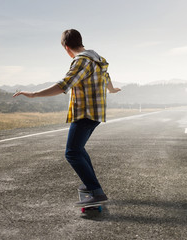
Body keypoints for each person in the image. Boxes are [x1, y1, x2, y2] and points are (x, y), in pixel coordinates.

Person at [13, 29, 121, 206]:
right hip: (96, 113)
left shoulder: (81, 60)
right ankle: (91, 186)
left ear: (66, 47)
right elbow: (106, 76)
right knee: (79, 149)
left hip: (85, 112)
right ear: (81, 42)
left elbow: (64, 85)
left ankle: (96, 190)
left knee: (71, 152)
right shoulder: (98, 59)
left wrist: (33, 94)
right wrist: (111, 89)